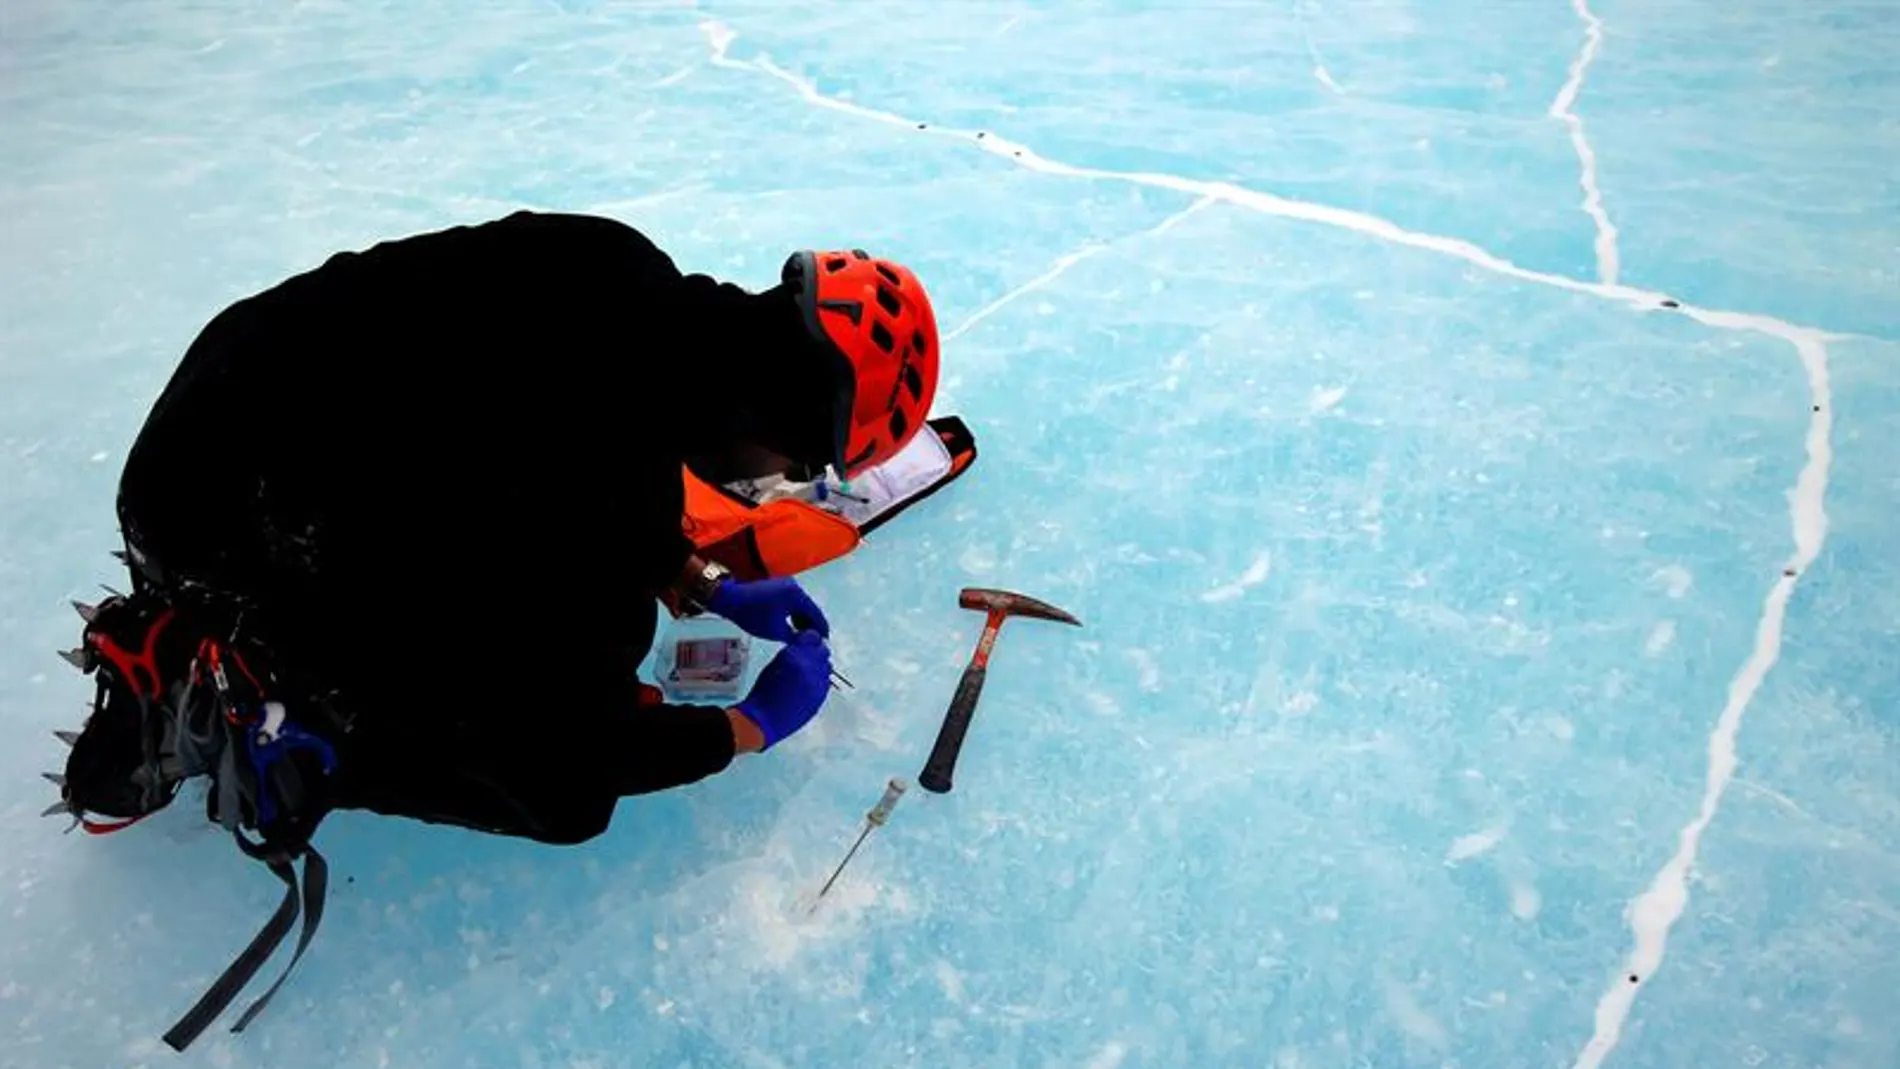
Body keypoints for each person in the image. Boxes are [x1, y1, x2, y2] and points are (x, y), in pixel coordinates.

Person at [47, 210, 941, 1048]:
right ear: (777, 421)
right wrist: (744, 728)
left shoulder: (617, 265)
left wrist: (696, 574)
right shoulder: (601, 493)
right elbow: (569, 748)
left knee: (504, 563)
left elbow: (540, 435)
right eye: (797, 463)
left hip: (200, 435)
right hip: (240, 531)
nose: (782, 478)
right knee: (555, 788)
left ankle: (239, 631)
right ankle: (278, 724)